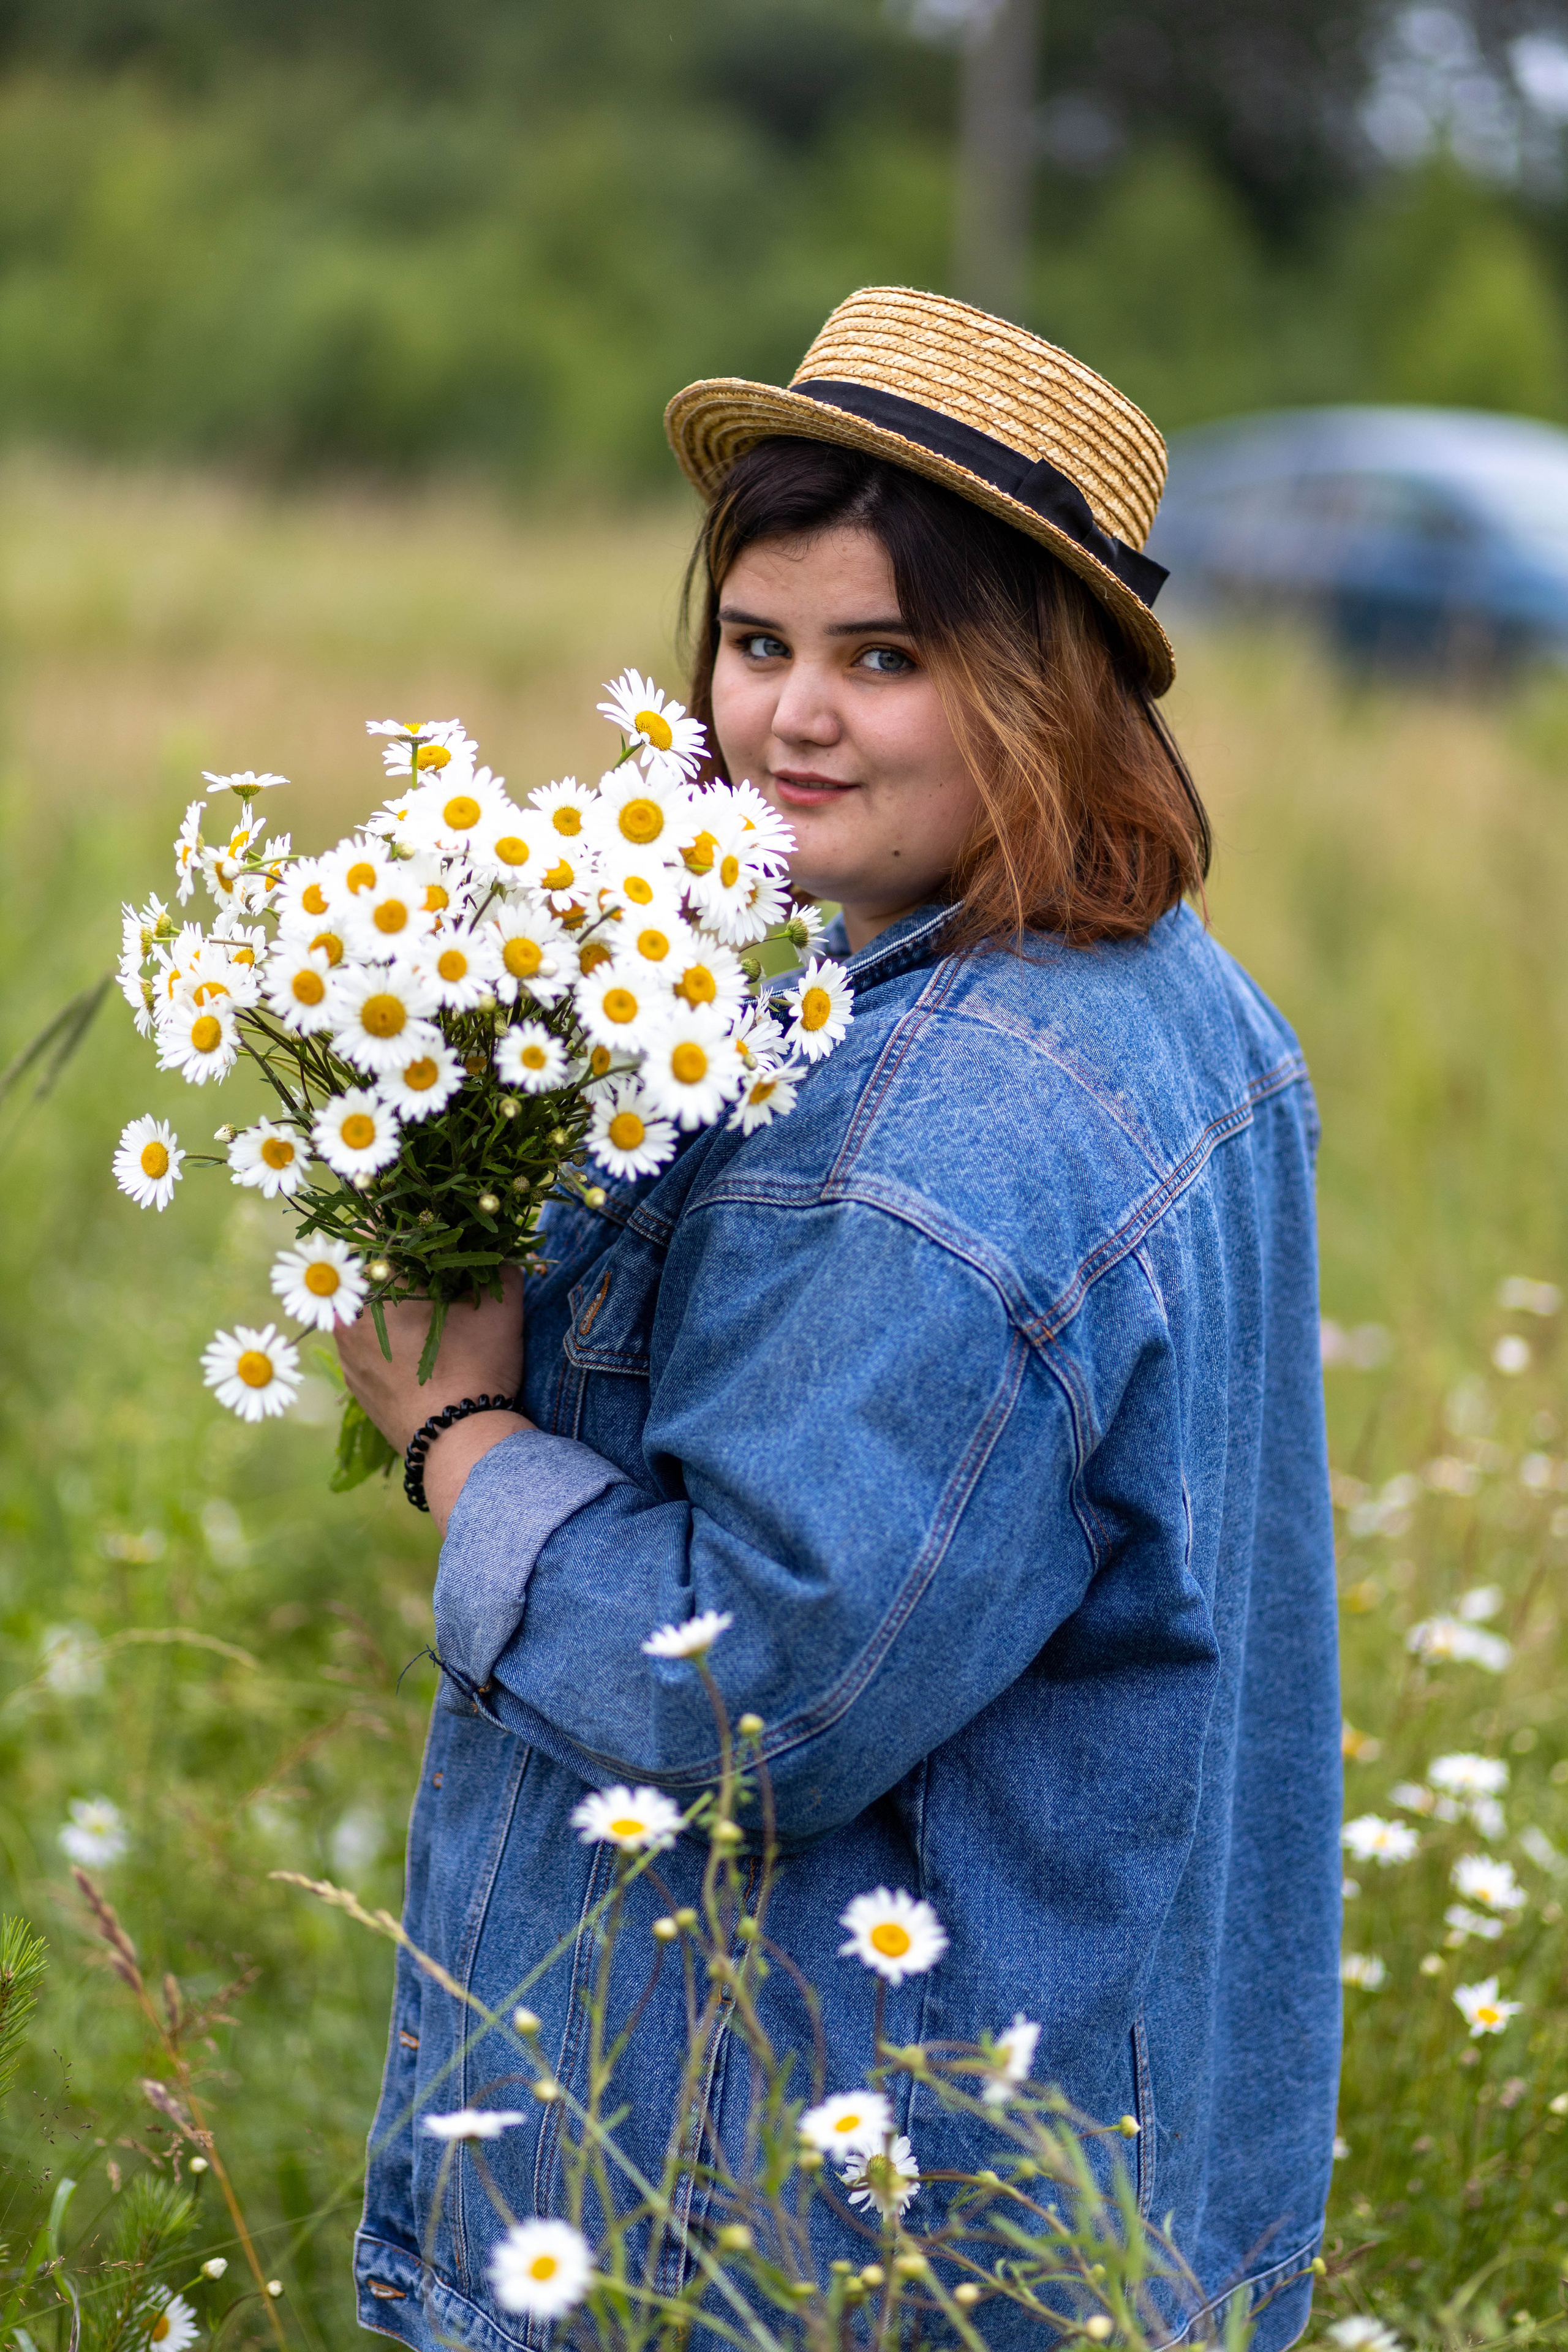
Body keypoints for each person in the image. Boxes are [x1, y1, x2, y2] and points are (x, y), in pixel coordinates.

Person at [341, 287, 1340, 2351]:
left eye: (888, 658)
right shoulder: (1172, 998)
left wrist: (466, 1444)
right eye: (759, 640)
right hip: (1101, 2154)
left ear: (1047, 692)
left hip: (798, 2215)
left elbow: (760, 1691)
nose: (790, 718)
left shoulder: (920, 1144)